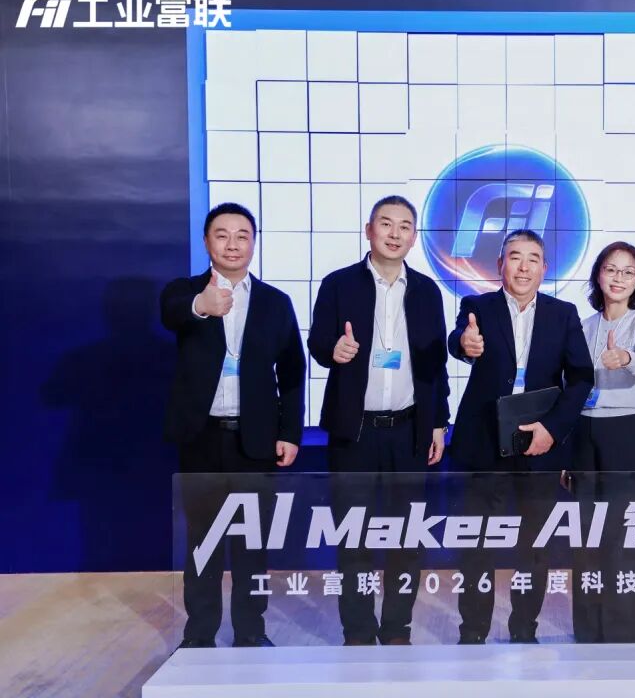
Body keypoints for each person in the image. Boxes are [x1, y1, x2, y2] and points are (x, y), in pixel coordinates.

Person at [161, 202, 305, 649]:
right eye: (222, 235)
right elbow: (171, 313)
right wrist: (201, 306)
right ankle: (199, 634)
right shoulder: (185, 292)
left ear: (254, 243)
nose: (232, 244)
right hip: (201, 437)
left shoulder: (275, 302)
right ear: (207, 241)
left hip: (254, 439)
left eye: (242, 235)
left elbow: (293, 372)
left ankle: (251, 630)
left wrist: (290, 432)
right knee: (202, 541)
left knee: (251, 543)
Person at [308, 195, 450, 646]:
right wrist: (334, 350)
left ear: (413, 236)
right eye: (386, 224)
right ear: (369, 230)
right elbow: (317, 343)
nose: (394, 233)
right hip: (355, 433)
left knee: (408, 537)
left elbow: (435, 365)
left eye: (404, 226)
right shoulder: (338, 284)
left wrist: (438, 421)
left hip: (408, 432)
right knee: (354, 537)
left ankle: (397, 628)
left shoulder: (427, 291)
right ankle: (357, 630)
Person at [447, 228, 593, 644]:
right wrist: (464, 343)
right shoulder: (477, 306)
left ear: (545, 268)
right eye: (515, 257)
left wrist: (553, 430)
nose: (523, 267)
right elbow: (458, 340)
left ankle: (524, 628)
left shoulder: (563, 313)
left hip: (539, 441)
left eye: (532, 259)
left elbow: (581, 377)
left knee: (535, 545)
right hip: (484, 441)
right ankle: (473, 631)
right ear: (500, 265)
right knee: (476, 544)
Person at [570, 241, 635, 643]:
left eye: (628, 272)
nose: (619, 278)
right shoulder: (583, 326)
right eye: (611, 269)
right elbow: (572, 386)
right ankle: (589, 629)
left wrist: (626, 359)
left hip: (630, 431)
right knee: (588, 535)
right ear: (598, 275)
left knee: (631, 535)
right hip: (585, 432)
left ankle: (633, 631)